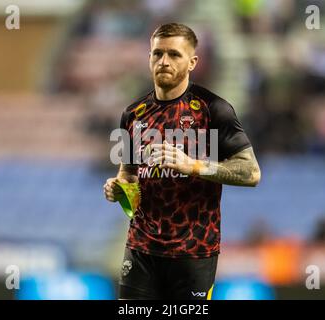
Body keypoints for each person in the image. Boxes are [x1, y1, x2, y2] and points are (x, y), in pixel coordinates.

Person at [103, 23, 261, 300]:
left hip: (194, 252)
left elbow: (251, 172)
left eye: (174, 55)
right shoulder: (131, 115)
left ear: (192, 62)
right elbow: (127, 175)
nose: (164, 61)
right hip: (141, 249)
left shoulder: (214, 110)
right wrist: (117, 189)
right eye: (157, 54)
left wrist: (193, 166)